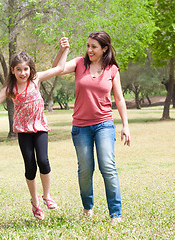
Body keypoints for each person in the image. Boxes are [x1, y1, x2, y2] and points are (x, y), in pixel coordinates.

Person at [0, 38, 69, 220]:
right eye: (19, 69)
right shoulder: (11, 88)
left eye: (26, 69)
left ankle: (47, 196)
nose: (23, 73)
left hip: (39, 128)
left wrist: (65, 50)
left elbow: (60, 69)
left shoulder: (36, 80)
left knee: (44, 162)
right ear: (13, 71)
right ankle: (35, 202)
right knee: (30, 167)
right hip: (23, 131)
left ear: (30, 69)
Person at [52, 31, 130, 225]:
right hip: (81, 126)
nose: (89, 50)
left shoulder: (112, 69)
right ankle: (88, 208)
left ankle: (116, 214)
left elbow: (119, 99)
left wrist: (125, 126)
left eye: (94, 47)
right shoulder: (79, 63)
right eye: (88, 46)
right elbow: (56, 69)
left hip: (104, 124)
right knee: (85, 169)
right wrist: (63, 50)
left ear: (105, 48)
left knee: (108, 166)